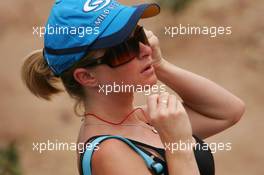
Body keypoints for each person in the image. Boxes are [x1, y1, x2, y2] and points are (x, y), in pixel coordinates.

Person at [21, 0, 245, 174]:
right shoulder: (109, 153)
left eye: (139, 34)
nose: (145, 50)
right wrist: (178, 147)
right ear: (87, 76)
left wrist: (159, 65)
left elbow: (228, 111)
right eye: (124, 49)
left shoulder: (143, 120)